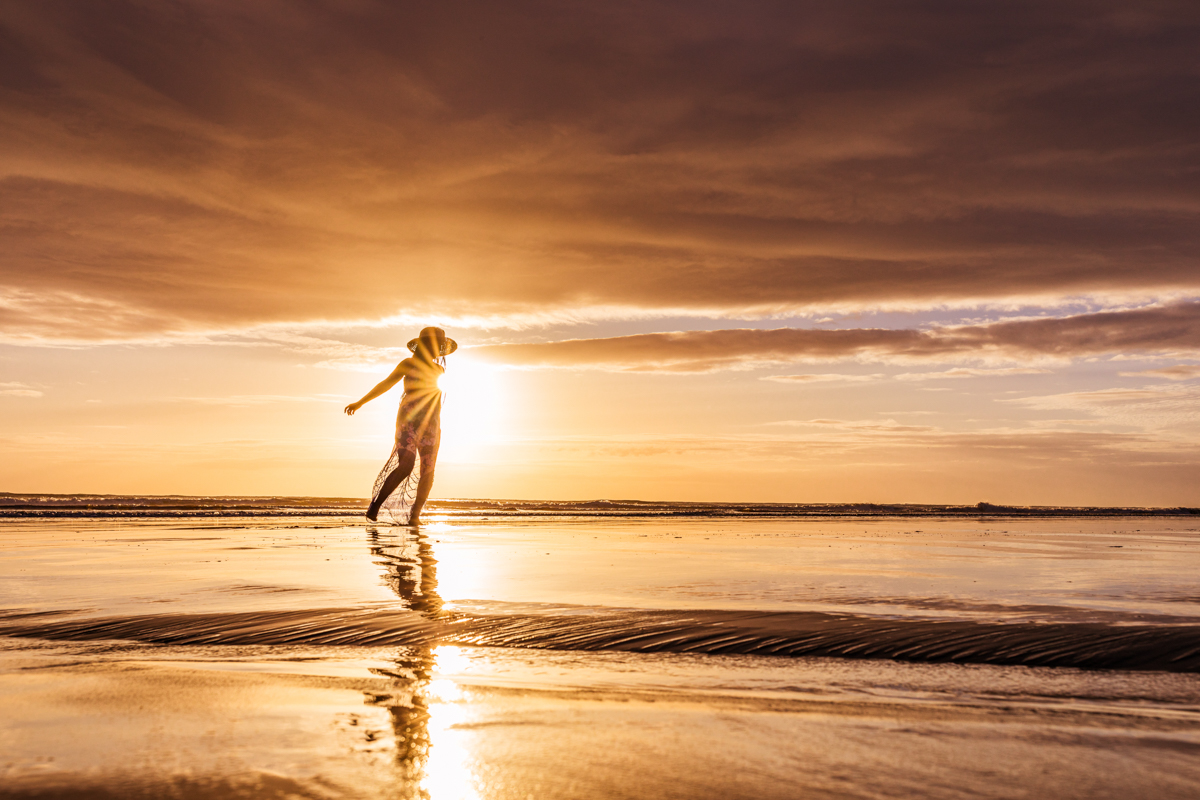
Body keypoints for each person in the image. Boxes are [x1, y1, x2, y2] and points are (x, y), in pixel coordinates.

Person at [344, 327, 457, 524]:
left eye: (437, 345)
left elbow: (436, 399)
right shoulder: (408, 364)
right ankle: (375, 506)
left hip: (431, 425)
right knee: (406, 465)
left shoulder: (439, 370)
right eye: (431, 344)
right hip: (409, 422)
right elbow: (386, 384)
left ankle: (414, 516)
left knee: (428, 472)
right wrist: (360, 403)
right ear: (422, 346)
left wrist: (437, 428)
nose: (435, 348)